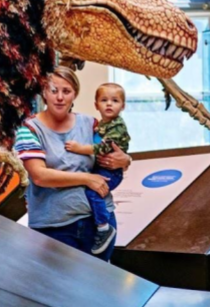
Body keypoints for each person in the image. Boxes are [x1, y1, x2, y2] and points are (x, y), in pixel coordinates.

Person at [14, 67, 131, 261]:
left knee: (99, 286)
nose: (60, 97)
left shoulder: (91, 123)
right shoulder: (29, 128)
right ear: (44, 92)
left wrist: (126, 160)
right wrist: (87, 178)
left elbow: (114, 152)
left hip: (98, 223)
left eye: (66, 91)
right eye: (53, 90)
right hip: (53, 227)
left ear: (74, 94)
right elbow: (40, 176)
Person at [64, 83, 131, 255]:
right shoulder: (100, 124)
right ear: (96, 105)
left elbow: (102, 149)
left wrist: (79, 148)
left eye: (115, 100)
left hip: (110, 172)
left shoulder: (116, 126)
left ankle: (103, 227)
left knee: (94, 192)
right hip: (97, 172)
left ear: (122, 106)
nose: (109, 104)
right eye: (104, 100)